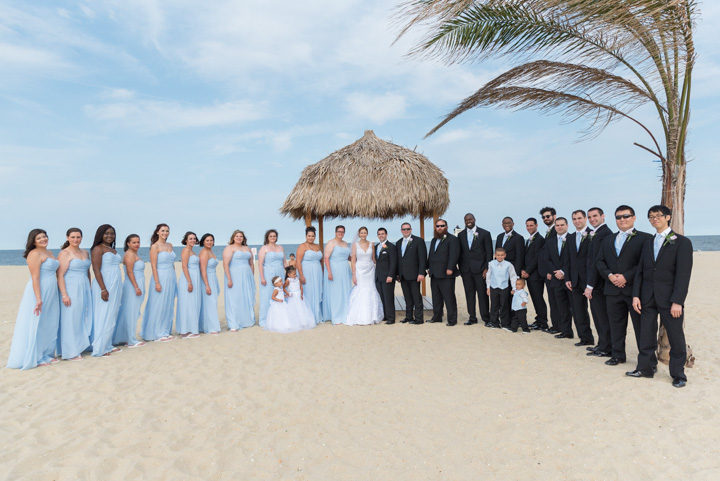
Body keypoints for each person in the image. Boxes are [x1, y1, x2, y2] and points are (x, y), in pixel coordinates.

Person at [627, 205, 693, 388]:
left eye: (658, 215)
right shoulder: (648, 242)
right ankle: (646, 368)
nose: (654, 219)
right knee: (646, 335)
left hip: (670, 299)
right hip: (647, 298)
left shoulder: (681, 242)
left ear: (668, 217)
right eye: (651, 216)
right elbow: (640, 271)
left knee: (676, 337)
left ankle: (678, 374)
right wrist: (636, 296)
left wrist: (677, 301)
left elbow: (683, 275)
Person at [595, 205, 652, 366]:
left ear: (633, 218)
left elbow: (645, 263)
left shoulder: (645, 238)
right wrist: (610, 276)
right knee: (616, 326)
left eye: (626, 216)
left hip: (635, 291)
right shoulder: (608, 239)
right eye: (619, 217)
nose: (622, 220)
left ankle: (647, 361)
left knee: (641, 328)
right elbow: (599, 261)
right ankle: (618, 355)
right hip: (612, 290)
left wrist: (626, 277)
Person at [7, 229, 60, 369]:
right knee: (37, 322)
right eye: (39, 238)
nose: (43, 239)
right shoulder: (34, 254)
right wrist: (38, 298)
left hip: (52, 290)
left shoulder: (49, 253)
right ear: (33, 241)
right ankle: (35, 356)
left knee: (49, 322)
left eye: (44, 236)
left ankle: (46, 353)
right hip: (39, 290)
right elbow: (35, 277)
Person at [56, 228, 92, 360]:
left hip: (85, 287)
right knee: (71, 318)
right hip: (71, 287)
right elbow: (59, 275)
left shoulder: (85, 252)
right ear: (67, 238)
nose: (76, 239)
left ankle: (81, 345)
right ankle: (70, 351)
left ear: (82, 238)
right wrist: (64, 294)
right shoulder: (64, 253)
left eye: (78, 237)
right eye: (73, 237)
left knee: (83, 316)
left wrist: (89, 286)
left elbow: (88, 272)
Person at [584, 207, 613, 357]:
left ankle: (606, 347)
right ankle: (601, 344)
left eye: (595, 216)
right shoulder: (596, 234)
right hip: (594, 282)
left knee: (602, 317)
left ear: (603, 216)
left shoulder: (605, 234)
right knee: (597, 315)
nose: (592, 219)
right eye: (589, 217)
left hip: (599, 284)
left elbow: (597, 262)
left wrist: (590, 285)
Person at [90, 224, 123, 357]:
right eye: (106, 233)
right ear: (100, 235)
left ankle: (107, 344)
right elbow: (96, 269)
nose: (109, 236)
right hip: (104, 284)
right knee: (103, 314)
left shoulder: (111, 249)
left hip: (115, 284)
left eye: (112, 233)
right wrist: (103, 289)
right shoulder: (98, 249)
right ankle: (99, 347)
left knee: (112, 314)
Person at [141, 223, 177, 342]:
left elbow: (172, 263)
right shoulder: (155, 246)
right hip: (160, 276)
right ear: (157, 232)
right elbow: (153, 266)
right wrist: (157, 282)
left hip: (171, 276)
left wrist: (174, 277)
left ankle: (165, 331)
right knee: (158, 304)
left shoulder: (170, 245)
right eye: (163, 231)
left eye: (167, 231)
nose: (165, 233)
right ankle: (156, 333)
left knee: (168, 304)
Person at [563, 210, 594, 346]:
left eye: (579, 218)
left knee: (597, 312)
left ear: (585, 219)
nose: (577, 221)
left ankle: (604, 343)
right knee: (578, 310)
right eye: (574, 219)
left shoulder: (593, 235)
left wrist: (591, 282)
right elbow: (567, 260)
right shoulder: (570, 237)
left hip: (591, 280)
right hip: (574, 280)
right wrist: (567, 278)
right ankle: (585, 338)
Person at [458, 213, 493, 326]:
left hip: (480, 270)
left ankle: (486, 318)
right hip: (466, 271)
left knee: (482, 295)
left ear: (474, 219)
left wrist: (487, 268)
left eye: (470, 219)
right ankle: (472, 317)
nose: (469, 221)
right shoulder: (461, 235)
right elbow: (460, 253)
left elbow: (489, 252)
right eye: (466, 219)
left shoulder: (485, 233)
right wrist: (461, 268)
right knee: (469, 294)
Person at [542, 217, 573, 339]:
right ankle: (566, 331)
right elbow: (547, 259)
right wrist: (555, 272)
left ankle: (584, 336)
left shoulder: (572, 238)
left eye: (562, 225)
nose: (559, 227)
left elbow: (573, 258)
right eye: (557, 225)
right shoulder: (550, 241)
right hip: (555, 279)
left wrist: (563, 271)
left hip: (569, 278)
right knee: (561, 307)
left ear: (567, 225)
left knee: (575, 308)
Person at [346, 227, 383, 325]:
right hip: (359, 271)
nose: (363, 234)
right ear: (359, 234)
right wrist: (354, 274)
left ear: (367, 233)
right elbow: (353, 260)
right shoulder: (355, 245)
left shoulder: (372, 244)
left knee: (371, 289)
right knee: (361, 290)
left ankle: (373, 315)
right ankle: (360, 315)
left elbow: (374, 259)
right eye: (361, 233)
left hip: (370, 270)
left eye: (365, 233)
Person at [114, 234, 146, 348]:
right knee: (131, 312)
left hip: (137, 284)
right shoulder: (129, 255)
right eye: (134, 242)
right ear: (128, 243)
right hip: (132, 286)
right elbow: (129, 272)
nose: (137, 244)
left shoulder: (134, 254)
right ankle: (131, 340)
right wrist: (136, 287)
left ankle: (125, 337)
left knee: (132, 311)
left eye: (138, 242)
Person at [427, 219, 460, 326]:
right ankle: (437, 317)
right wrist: (428, 267)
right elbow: (431, 255)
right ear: (435, 228)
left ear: (446, 226)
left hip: (447, 273)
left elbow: (454, 255)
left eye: (442, 226)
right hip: (434, 274)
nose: (440, 228)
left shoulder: (452, 239)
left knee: (449, 297)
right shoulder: (433, 240)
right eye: (438, 226)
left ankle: (452, 320)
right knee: (436, 297)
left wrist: (450, 268)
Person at [223, 230, 256, 330]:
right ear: (233, 237)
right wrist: (229, 279)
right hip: (234, 275)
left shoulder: (247, 248)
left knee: (246, 297)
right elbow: (225, 264)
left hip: (247, 276)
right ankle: (234, 323)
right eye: (237, 236)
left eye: (241, 236)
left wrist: (251, 276)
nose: (239, 238)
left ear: (243, 238)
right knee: (234, 298)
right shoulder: (229, 248)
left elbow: (251, 263)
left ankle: (246, 321)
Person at [495, 217, 524, 324]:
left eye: (509, 223)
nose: (506, 224)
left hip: (511, 273)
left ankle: (514, 321)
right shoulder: (499, 237)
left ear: (513, 224)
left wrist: (516, 275)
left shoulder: (518, 238)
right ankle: (504, 319)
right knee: (502, 298)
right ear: (502, 224)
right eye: (504, 223)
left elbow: (519, 257)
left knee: (512, 298)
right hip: (500, 274)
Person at [396, 222, 427, 324]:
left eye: (408, 229)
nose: (406, 231)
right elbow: (398, 260)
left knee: (416, 298)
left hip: (415, 275)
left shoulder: (418, 241)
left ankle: (418, 319)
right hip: (403, 276)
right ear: (401, 230)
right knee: (407, 298)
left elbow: (422, 259)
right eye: (404, 229)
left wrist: (421, 273)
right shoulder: (398, 242)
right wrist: (398, 274)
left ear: (411, 229)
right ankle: (409, 317)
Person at [522, 218, 548, 330]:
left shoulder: (540, 239)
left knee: (538, 298)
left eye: (531, 225)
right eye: (527, 225)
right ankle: (539, 320)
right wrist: (523, 270)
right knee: (535, 298)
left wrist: (527, 271)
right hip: (530, 275)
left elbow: (537, 258)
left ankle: (543, 322)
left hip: (536, 275)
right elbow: (527, 256)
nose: (529, 227)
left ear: (536, 225)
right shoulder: (529, 239)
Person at [323, 225, 352, 324]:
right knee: (336, 293)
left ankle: (345, 313)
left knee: (345, 291)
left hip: (345, 270)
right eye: (339, 231)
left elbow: (348, 257)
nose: (340, 233)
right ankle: (336, 316)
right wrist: (329, 272)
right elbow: (326, 258)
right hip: (334, 269)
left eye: (342, 232)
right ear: (335, 232)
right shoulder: (331, 243)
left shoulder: (345, 243)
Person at [176, 232, 201, 338]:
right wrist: (189, 281)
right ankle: (185, 331)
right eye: (190, 238)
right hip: (188, 278)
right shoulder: (186, 250)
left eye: (194, 238)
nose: (192, 240)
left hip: (195, 278)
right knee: (187, 304)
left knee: (192, 303)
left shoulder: (192, 251)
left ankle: (191, 328)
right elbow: (184, 266)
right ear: (186, 240)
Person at [258, 229, 285, 328]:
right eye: (271, 236)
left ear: (276, 237)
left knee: (280, 295)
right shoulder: (264, 248)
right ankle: (265, 319)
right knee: (268, 295)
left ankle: (278, 318)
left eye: (274, 236)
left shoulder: (280, 247)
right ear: (267, 238)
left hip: (280, 273)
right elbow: (260, 264)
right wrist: (262, 278)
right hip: (268, 274)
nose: (273, 238)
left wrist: (287, 274)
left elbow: (284, 262)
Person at [296, 226, 323, 324]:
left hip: (318, 272)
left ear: (315, 236)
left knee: (317, 291)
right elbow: (298, 262)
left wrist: (322, 272)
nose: (311, 238)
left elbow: (321, 260)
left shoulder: (317, 246)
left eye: (312, 236)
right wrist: (301, 275)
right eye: (309, 236)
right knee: (308, 292)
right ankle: (308, 316)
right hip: (307, 271)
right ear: (306, 236)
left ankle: (317, 315)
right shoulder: (302, 246)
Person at [486, 247, 518, 329]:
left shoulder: (509, 264)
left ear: (505, 255)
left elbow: (513, 277)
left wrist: (514, 288)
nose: (500, 257)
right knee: (494, 306)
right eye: (498, 255)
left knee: (504, 306)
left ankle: (505, 324)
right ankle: (494, 322)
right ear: (495, 255)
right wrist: (488, 287)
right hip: (493, 287)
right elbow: (488, 276)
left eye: (502, 255)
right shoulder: (491, 264)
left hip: (504, 288)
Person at [539, 206, 559, 334]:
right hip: (549, 274)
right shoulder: (549, 232)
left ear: (554, 216)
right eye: (544, 217)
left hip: (555, 274)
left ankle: (559, 326)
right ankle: (556, 325)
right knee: (553, 301)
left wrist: (551, 272)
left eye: (548, 216)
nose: (546, 218)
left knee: (557, 302)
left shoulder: (556, 231)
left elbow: (556, 255)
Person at [199, 233, 221, 334]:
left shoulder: (210, 251)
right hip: (207, 279)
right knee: (210, 303)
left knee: (212, 303)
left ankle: (207, 325)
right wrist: (207, 285)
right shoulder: (204, 252)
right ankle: (211, 328)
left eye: (211, 240)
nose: (209, 242)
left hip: (213, 277)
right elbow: (203, 270)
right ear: (203, 241)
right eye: (207, 240)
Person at [374, 227, 397, 324]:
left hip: (388, 277)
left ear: (386, 235)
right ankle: (385, 316)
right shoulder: (376, 247)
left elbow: (393, 262)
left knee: (388, 297)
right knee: (382, 297)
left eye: (382, 234)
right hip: (378, 277)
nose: (381, 235)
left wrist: (391, 275)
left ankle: (391, 318)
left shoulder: (391, 246)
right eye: (379, 234)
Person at [284, 265, 316, 330]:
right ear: (289, 274)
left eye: (295, 274)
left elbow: (301, 286)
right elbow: (284, 287)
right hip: (293, 296)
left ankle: (303, 322)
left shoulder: (297, 279)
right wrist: (287, 293)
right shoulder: (288, 280)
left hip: (298, 295)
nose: (295, 275)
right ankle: (294, 323)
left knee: (301, 308)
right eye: (294, 274)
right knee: (293, 309)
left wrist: (301, 294)